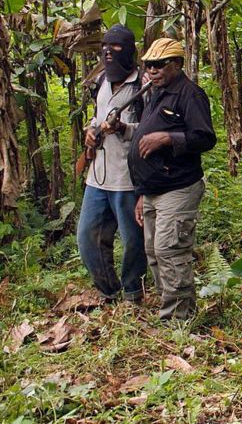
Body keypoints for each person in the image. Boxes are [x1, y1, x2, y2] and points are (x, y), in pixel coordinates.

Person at [128, 38, 216, 320]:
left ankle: (179, 318)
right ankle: (171, 308)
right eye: (148, 65)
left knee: (170, 250)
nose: (152, 70)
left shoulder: (190, 94)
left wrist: (168, 138)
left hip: (178, 186)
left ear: (177, 64)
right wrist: (142, 193)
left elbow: (204, 138)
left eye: (159, 65)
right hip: (153, 188)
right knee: (153, 251)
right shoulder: (155, 93)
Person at [77, 24, 147, 304]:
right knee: (87, 238)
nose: (108, 52)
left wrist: (123, 128)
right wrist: (92, 129)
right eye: (104, 46)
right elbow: (98, 115)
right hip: (97, 176)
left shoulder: (142, 86)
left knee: (133, 241)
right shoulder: (102, 81)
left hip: (127, 178)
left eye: (116, 47)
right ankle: (109, 291)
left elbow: (151, 128)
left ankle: (133, 293)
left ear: (128, 50)